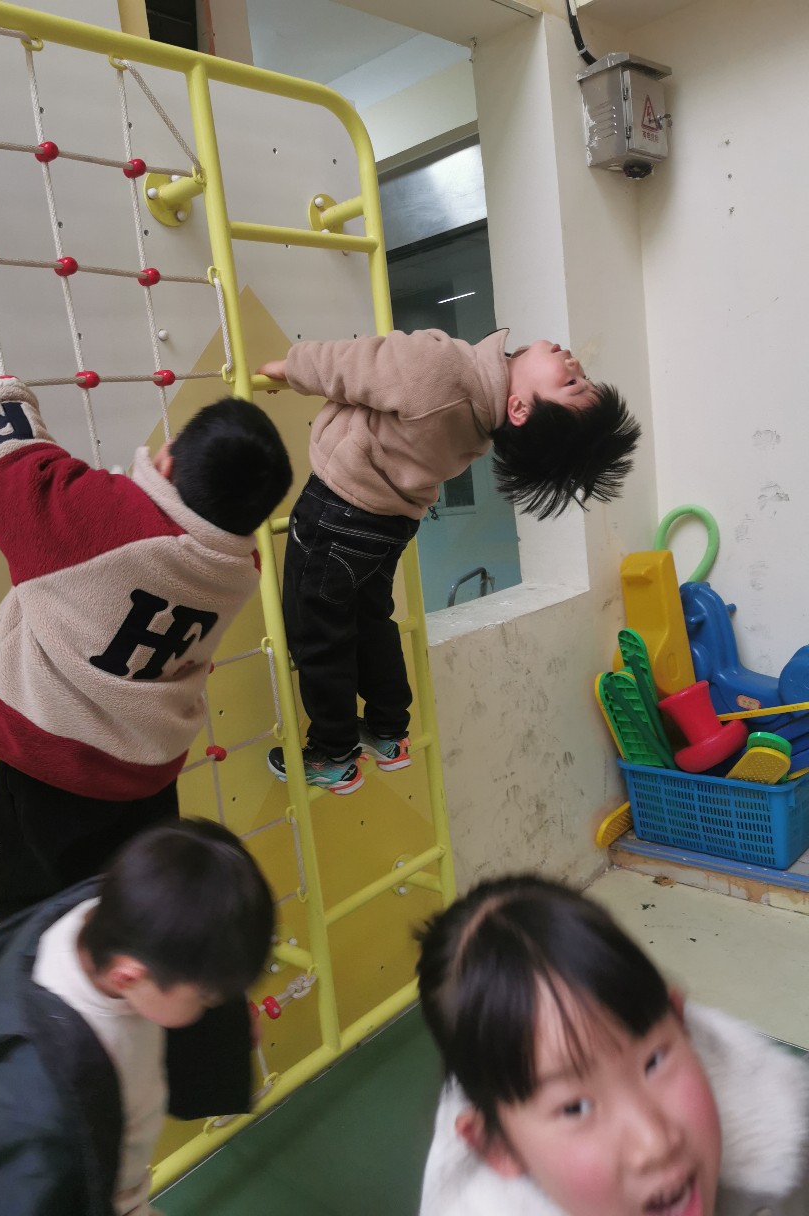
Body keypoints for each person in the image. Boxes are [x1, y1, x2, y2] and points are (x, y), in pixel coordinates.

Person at [0, 373, 292, 921]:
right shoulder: (237, 568)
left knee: (34, 911)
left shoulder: (101, 520)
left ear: (167, 461)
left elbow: (16, 473)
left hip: (52, 763)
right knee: (132, 907)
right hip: (144, 771)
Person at [258, 332, 641, 794]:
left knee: (316, 630)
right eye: (581, 376)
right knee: (370, 620)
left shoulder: (445, 371)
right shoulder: (481, 420)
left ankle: (333, 753)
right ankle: (388, 731)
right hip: (389, 522)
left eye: (572, 383)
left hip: (338, 509)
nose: (574, 362)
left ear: (519, 409)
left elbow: (354, 363)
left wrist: (290, 368)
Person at [0, 817, 275, 1216]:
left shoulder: (115, 913)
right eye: (206, 998)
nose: (213, 1006)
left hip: (117, 1177)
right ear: (129, 976)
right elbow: (5, 1196)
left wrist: (229, 1022)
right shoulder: (32, 1097)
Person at [415, 874, 809, 1216]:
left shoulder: (786, 1140)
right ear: (499, 1147)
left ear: (680, 1022)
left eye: (653, 1061)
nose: (655, 1143)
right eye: (575, 1107)